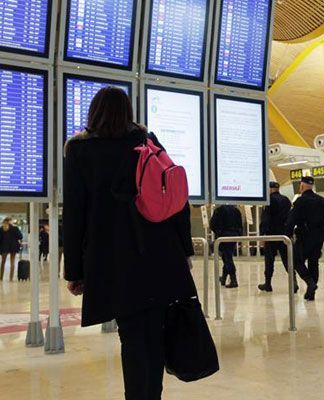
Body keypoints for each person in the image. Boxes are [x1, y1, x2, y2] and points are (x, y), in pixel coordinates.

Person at [63, 87, 197, 400]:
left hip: (113, 261)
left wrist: (75, 271)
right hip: (159, 256)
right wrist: (184, 251)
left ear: (93, 112)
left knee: (133, 337)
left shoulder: (80, 150)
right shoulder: (147, 142)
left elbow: (74, 213)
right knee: (153, 334)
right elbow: (177, 199)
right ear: (128, 111)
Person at [286, 176, 324, 301]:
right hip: (319, 236)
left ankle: (310, 283)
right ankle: (311, 293)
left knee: (296, 261)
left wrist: (288, 234)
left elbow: (292, 219)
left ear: (302, 186)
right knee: (314, 262)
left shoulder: (300, 201)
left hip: (305, 235)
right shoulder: (322, 200)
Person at [258, 181, 296, 293]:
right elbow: (291, 217)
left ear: (269, 189)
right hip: (284, 235)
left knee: (269, 260)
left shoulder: (268, 201)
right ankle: (294, 283)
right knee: (287, 259)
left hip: (271, 235)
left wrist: (263, 235)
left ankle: (268, 284)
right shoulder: (286, 200)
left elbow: (265, 219)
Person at [210, 204, 243, 289]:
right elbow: (240, 225)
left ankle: (233, 280)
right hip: (234, 236)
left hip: (223, 236)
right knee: (227, 256)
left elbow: (213, 224)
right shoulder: (236, 210)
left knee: (227, 258)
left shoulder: (219, 209)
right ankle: (224, 278)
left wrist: (218, 233)